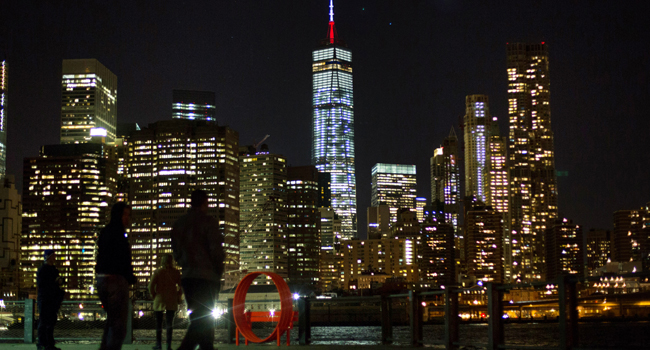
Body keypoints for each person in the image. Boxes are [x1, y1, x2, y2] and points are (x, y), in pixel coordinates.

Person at [171, 190, 224, 350]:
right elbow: (216, 251)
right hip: (206, 277)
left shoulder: (179, 223)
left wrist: (185, 263)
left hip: (188, 276)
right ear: (204, 203)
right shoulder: (209, 222)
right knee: (202, 321)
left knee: (200, 319)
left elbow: (176, 252)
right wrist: (218, 271)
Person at [95, 202, 137, 350]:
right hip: (115, 280)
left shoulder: (105, 231)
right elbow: (123, 259)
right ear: (119, 215)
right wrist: (130, 277)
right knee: (119, 326)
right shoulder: (119, 234)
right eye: (126, 215)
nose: (128, 218)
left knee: (112, 321)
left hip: (101, 280)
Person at [148, 254, 182, 350]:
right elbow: (180, 287)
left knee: (158, 324)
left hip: (159, 299)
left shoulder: (158, 272)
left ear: (162, 261)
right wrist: (178, 296)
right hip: (171, 300)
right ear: (172, 261)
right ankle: (169, 346)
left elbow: (150, 286)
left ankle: (159, 345)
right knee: (169, 324)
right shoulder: (176, 273)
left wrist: (154, 295)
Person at [37, 249, 65, 350]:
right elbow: (44, 284)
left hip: (52, 299)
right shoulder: (43, 270)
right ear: (49, 257)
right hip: (45, 299)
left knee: (50, 322)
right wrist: (56, 282)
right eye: (53, 256)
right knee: (45, 322)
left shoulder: (52, 269)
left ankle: (49, 344)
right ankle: (43, 343)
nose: (55, 258)